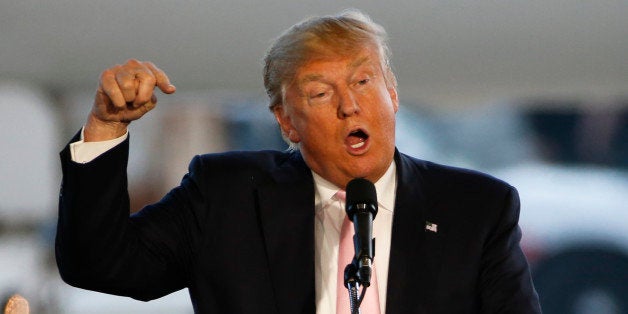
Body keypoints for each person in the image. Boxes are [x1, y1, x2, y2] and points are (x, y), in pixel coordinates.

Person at [56, 9, 541, 313]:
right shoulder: (226, 196)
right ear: (286, 122)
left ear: (392, 92)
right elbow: (101, 265)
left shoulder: (475, 209)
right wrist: (106, 127)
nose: (349, 105)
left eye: (364, 82)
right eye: (320, 93)